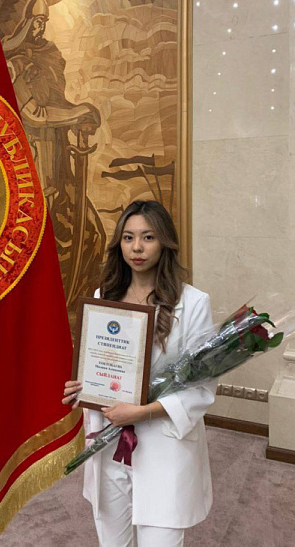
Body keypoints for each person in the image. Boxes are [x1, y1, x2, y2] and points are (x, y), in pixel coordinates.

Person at [63, 199, 217, 547]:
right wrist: (82, 388)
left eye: (148, 237)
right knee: (112, 541)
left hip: (164, 443)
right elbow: (100, 364)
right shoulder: (105, 296)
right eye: (129, 237)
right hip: (109, 441)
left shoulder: (193, 303)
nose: (137, 248)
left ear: (164, 242)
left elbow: (202, 387)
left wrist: (142, 412)